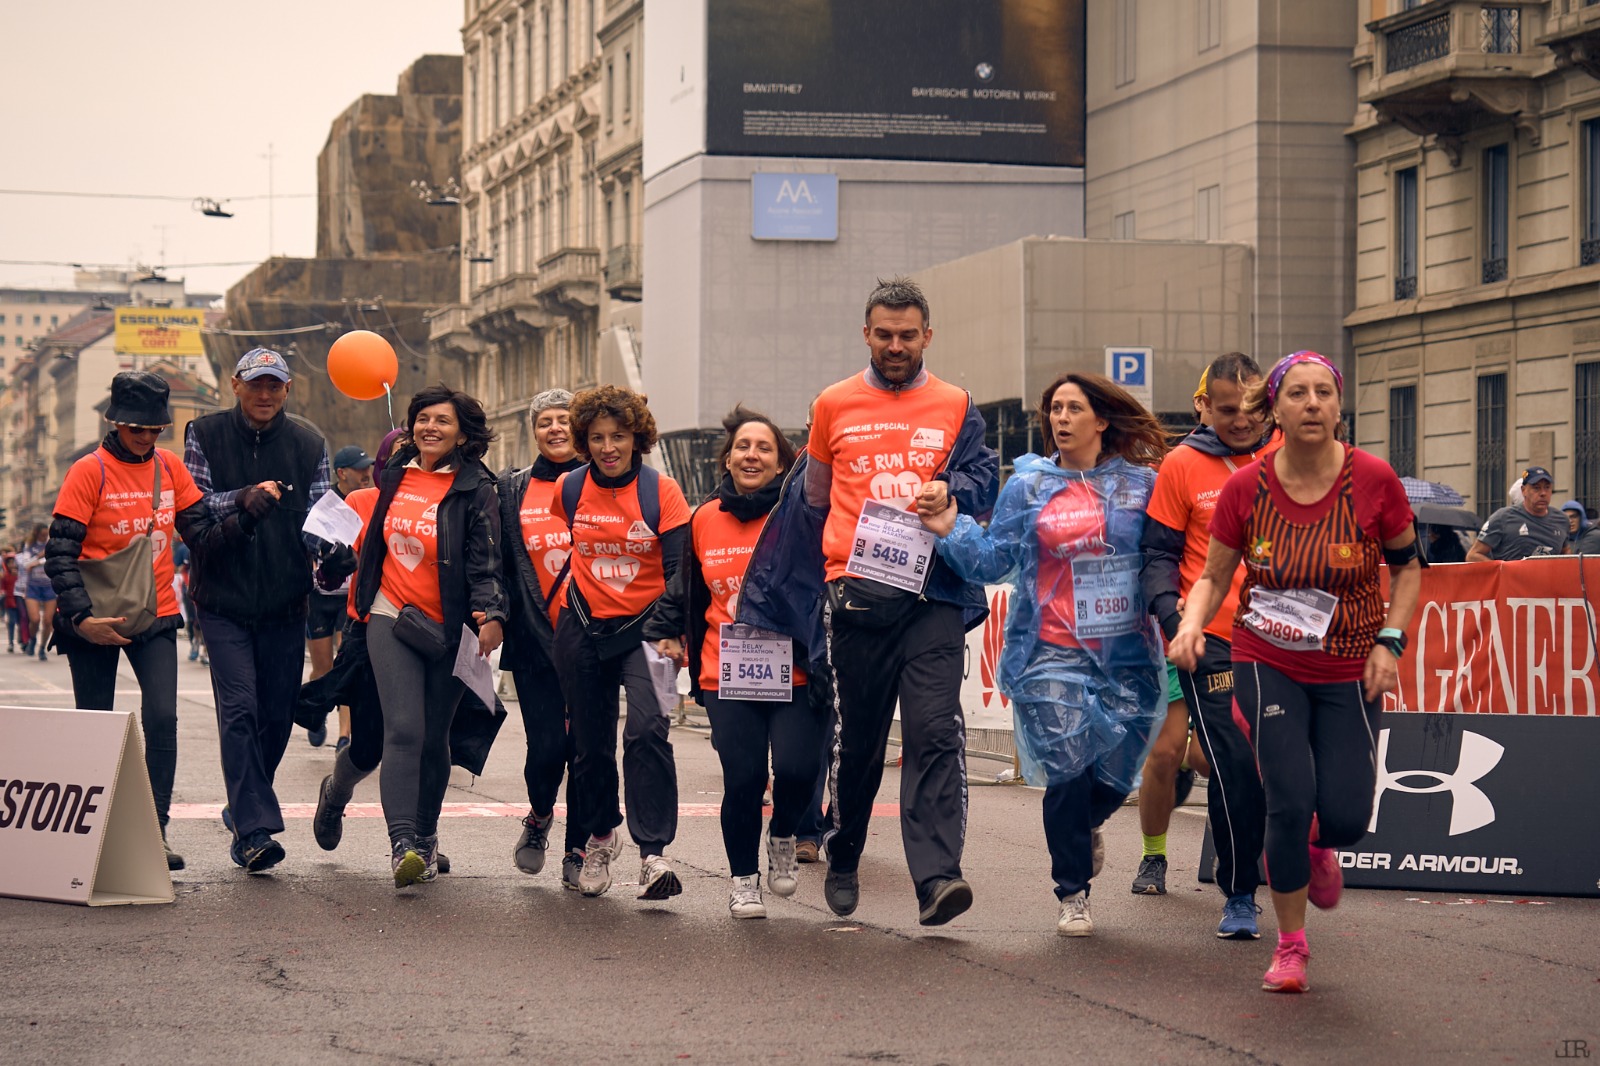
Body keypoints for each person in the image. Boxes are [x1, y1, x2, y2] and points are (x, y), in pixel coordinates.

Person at [741, 276, 1000, 926]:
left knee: (936, 730)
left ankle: (938, 876)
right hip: (856, 595)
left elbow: (983, 475)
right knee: (858, 743)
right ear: (866, 335)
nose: (895, 345)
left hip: (934, 591)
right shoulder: (833, 404)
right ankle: (847, 850)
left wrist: (948, 491)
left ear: (927, 337)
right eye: (883, 335)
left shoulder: (956, 403)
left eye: (907, 335)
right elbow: (818, 496)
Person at [1170, 350, 1423, 994]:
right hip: (1265, 659)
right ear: (1275, 410)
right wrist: (1192, 624)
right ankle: (1290, 946)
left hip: (1348, 664)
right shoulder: (1245, 488)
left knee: (1343, 815)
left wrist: (1389, 643)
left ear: (1339, 407)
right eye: (1298, 394)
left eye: (1323, 394)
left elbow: (1409, 567)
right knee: (1287, 798)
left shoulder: (1373, 481)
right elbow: (1214, 575)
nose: (1312, 404)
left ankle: (1320, 843)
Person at [921, 373, 1165, 936]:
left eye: (1074, 408)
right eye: (1055, 408)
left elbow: (1166, 552)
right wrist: (948, 528)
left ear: (1101, 420)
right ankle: (1072, 890)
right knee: (1069, 769)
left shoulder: (1141, 486)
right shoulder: (1029, 485)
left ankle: (1083, 829)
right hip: (1048, 652)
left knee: (1116, 773)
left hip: (1127, 653)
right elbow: (993, 560)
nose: (1061, 417)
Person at [647, 405, 821, 919]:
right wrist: (667, 632)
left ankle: (785, 833)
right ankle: (744, 880)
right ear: (727, 459)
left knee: (797, 769)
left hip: (795, 671)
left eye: (764, 448)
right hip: (726, 669)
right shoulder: (704, 518)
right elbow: (685, 588)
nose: (752, 455)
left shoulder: (801, 518)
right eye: (743, 446)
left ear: (781, 463)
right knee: (743, 779)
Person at [43, 372, 208, 871]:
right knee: (98, 727)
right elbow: (60, 553)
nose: (147, 437)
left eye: (156, 429)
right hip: (93, 615)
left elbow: (201, 529)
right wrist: (81, 618)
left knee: (163, 717)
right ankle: (93, 837)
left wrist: (248, 512)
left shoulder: (171, 468)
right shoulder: (88, 472)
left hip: (154, 612)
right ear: (116, 422)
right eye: (138, 428)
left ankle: (152, 835)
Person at [175, 347, 331, 873]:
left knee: (275, 715)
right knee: (239, 709)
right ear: (236, 385)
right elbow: (193, 502)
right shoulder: (205, 432)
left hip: (286, 602)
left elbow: (321, 516)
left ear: (288, 390)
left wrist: (334, 554)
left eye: (275, 386)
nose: (265, 395)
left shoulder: (310, 441)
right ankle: (253, 831)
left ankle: (242, 803)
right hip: (222, 601)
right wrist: (242, 497)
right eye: (255, 384)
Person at [1137, 353, 1275, 940]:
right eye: (1226, 411)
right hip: (1211, 637)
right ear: (1206, 406)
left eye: (1250, 410)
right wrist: (1173, 619)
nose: (1239, 422)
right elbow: (1158, 556)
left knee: (1268, 766)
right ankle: (1240, 891)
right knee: (1232, 762)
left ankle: (1275, 859)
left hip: (1286, 639)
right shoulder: (1183, 464)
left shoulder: (1291, 456)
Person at [353, 384, 506, 887]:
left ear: (462, 432)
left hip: (452, 627)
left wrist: (489, 613)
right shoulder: (394, 475)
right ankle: (401, 846)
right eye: (422, 419)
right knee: (404, 729)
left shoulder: (477, 487)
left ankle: (425, 834)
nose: (430, 428)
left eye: (442, 420)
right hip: (391, 613)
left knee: (435, 736)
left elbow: (486, 560)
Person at [551, 384, 692, 900]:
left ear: (637, 438)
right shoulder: (568, 488)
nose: (609, 447)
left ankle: (653, 855)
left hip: (648, 630)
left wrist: (675, 634)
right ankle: (600, 835)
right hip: (583, 624)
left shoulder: (663, 492)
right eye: (597, 437)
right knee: (588, 746)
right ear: (585, 442)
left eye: (619, 436)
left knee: (648, 730)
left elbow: (679, 571)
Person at [497, 388, 589, 889]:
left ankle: (577, 850)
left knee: (586, 752)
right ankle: (538, 817)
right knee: (548, 748)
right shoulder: (512, 489)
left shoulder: (602, 481)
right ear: (534, 431)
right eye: (545, 422)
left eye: (564, 420)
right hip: (535, 641)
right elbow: (499, 563)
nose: (555, 428)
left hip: (592, 641)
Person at [307, 445, 376, 752]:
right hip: (320, 598)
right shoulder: (327, 504)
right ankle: (317, 710)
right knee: (322, 667)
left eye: (369, 467)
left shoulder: (370, 500)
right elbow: (308, 543)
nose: (367, 473)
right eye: (360, 468)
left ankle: (344, 736)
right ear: (341, 473)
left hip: (351, 598)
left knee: (344, 665)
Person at [1467, 466, 1569, 562]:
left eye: (1547, 487)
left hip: (1547, 580)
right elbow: (1473, 555)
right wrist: (1502, 571)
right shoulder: (1503, 518)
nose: (1543, 493)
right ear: (1523, 490)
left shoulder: (1561, 520)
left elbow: (1566, 551)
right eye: (1536, 488)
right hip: (1512, 580)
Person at [19, 525, 54, 659]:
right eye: (42, 534)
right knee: (35, 619)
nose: (44, 537)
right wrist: (40, 557)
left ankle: (42, 648)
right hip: (33, 587)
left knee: (47, 621)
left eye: (46, 534)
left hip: (49, 586)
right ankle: (32, 639)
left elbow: (52, 559)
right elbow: (26, 564)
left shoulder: (50, 545)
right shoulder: (30, 546)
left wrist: (37, 561)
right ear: (37, 534)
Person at [3, 554, 19, 653]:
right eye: (10, 563)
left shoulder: (20, 575)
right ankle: (11, 642)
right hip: (9, 601)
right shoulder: (5, 576)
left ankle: (24, 641)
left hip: (20, 601)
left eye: (13, 562)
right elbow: (3, 588)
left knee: (22, 622)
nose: (12, 565)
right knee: (12, 622)